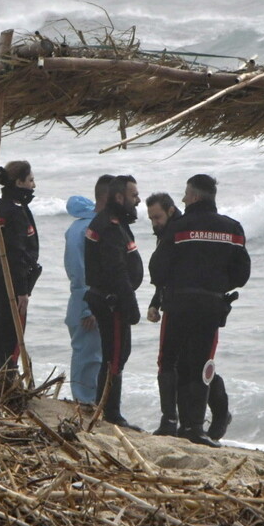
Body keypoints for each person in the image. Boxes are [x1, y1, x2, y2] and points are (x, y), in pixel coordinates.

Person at [150, 174, 250, 447]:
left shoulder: (179, 228)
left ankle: (169, 422)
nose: (182, 199)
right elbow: (242, 274)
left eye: (185, 194)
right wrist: (216, 285)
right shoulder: (233, 229)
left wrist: (176, 284)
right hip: (211, 305)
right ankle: (195, 427)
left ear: (194, 197)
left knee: (169, 361)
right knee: (200, 365)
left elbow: (158, 269)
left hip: (179, 304)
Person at [84, 175, 143, 429]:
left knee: (117, 353)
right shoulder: (109, 225)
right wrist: (130, 305)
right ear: (119, 197)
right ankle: (110, 412)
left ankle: (105, 407)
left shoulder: (116, 222)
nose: (137, 199)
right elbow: (116, 270)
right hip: (112, 300)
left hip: (111, 297)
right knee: (115, 355)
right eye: (133, 195)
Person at [0, 160, 42, 374]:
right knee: (11, 340)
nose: (33, 186)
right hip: (10, 283)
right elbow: (16, 255)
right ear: (19, 182)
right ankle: (4, 383)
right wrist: (22, 291)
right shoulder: (15, 211)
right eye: (30, 180)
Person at [63, 174, 113, 405]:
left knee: (96, 355)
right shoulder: (84, 228)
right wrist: (87, 307)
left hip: (94, 299)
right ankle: (84, 402)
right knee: (87, 355)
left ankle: (91, 401)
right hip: (86, 300)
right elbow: (78, 270)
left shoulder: (96, 223)